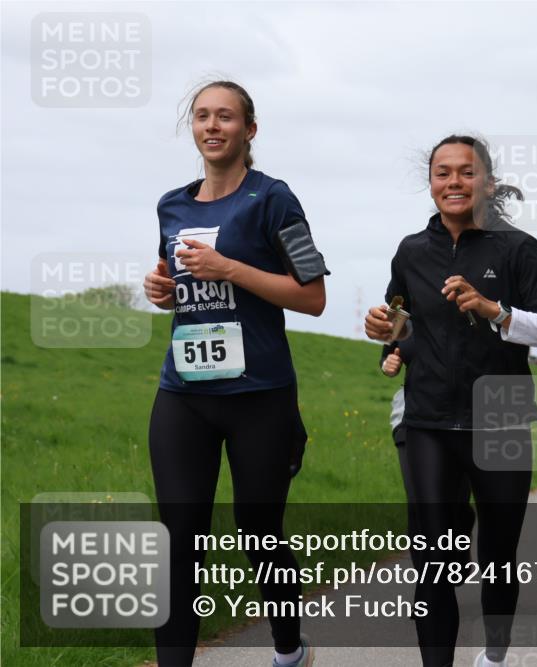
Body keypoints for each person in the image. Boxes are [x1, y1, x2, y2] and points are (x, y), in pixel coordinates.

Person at [364, 134, 537, 667]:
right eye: (442, 173)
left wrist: (495, 310)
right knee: (432, 560)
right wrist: (387, 337)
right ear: (431, 182)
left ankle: (495, 656)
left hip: (501, 415)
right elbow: (405, 321)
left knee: (498, 556)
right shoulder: (412, 250)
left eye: (465, 172)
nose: (453, 182)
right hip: (430, 420)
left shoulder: (517, 248)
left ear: (486, 180)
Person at [142, 81, 325, 667]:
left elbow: (313, 296)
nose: (212, 126)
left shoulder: (274, 200)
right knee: (179, 540)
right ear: (191, 128)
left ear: (250, 129)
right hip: (184, 393)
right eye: (202, 116)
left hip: (261, 396)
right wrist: (163, 291)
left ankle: (290, 650)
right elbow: (182, 282)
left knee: (258, 528)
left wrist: (229, 268)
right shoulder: (172, 204)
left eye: (226, 116)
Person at [381, 340, 475, 562]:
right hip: (410, 417)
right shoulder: (406, 308)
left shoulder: (474, 308)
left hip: (463, 418)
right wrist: (388, 363)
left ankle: (459, 536)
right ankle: (430, 585)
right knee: (419, 503)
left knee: (454, 501)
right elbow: (388, 353)